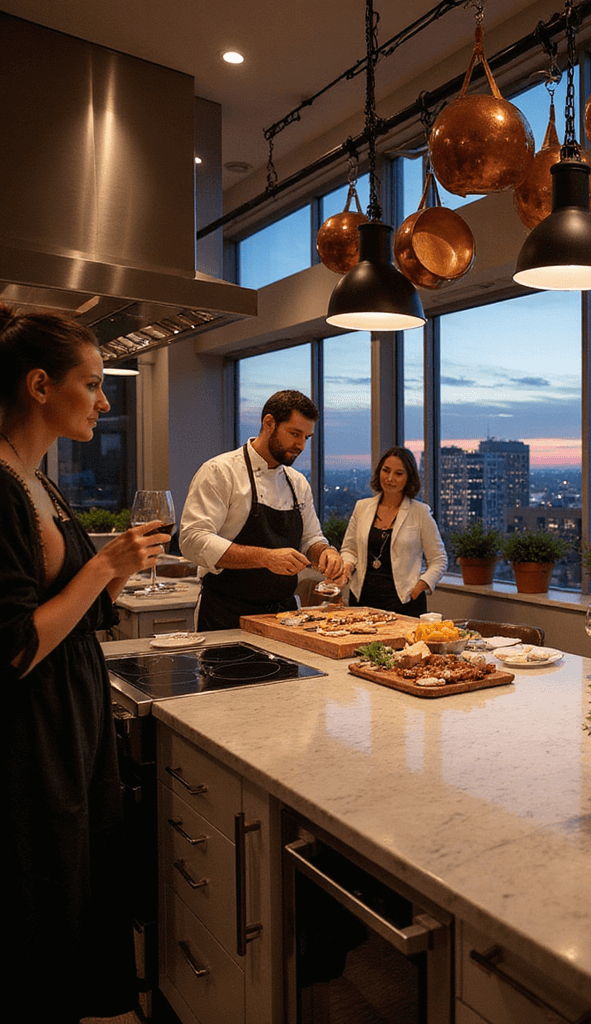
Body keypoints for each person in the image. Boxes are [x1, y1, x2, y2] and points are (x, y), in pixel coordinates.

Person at [0, 304, 171, 1022]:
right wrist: (102, 567)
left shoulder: (38, 480)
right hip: (30, 740)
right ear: (41, 385)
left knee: (77, 890)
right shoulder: (2, 492)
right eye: (94, 383)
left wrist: (117, 569)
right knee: (38, 906)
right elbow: (14, 647)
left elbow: (76, 612)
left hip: (71, 723)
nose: (105, 401)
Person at [180, 390, 344, 630]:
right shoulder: (220, 471)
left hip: (285, 618)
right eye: (294, 434)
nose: (300, 445)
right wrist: (265, 557)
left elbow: (311, 539)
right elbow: (193, 540)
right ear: (269, 423)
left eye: (306, 437)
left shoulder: (297, 482)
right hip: (226, 615)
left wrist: (325, 553)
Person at [338, 446, 447, 616]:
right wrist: (347, 565)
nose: (390, 478)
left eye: (399, 473)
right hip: (362, 600)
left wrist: (419, 587)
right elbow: (349, 549)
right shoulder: (362, 507)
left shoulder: (420, 512)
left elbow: (439, 559)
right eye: (386, 470)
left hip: (404, 603)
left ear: (408, 477)